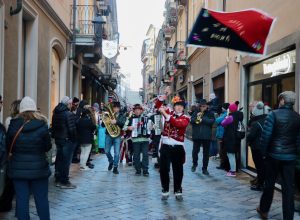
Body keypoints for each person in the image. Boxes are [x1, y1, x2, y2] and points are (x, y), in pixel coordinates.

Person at [6, 96, 52, 220]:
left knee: (21, 200)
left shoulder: (13, 125)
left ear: (21, 110)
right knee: (41, 199)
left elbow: (8, 146)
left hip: (18, 169)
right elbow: (47, 147)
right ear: (34, 109)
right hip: (39, 169)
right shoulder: (42, 125)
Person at [257, 91, 300, 220]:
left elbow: (266, 137)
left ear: (282, 100)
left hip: (273, 156)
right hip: (290, 157)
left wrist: (263, 153)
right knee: (288, 189)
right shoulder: (297, 117)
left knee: (269, 184)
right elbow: (298, 139)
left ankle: (264, 210)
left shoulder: (273, 115)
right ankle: (288, 217)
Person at [155, 95, 190, 201]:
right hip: (165, 145)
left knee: (178, 170)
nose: (179, 107)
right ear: (174, 107)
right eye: (177, 105)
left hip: (178, 147)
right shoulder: (169, 112)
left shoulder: (186, 118)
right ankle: (165, 190)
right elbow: (158, 106)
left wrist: (165, 114)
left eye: (181, 106)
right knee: (164, 169)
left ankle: (178, 190)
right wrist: (162, 97)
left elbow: (178, 124)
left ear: (183, 108)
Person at [52, 96, 77, 189]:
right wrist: (74, 140)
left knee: (59, 159)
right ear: (68, 104)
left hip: (58, 139)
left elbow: (53, 127)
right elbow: (72, 129)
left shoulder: (56, 112)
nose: (71, 105)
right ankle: (64, 181)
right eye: (71, 104)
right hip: (66, 140)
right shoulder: (68, 114)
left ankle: (58, 177)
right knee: (66, 161)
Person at [190, 99, 215, 175]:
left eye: (204, 106)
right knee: (195, 151)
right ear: (199, 106)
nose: (203, 107)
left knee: (206, 153)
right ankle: (194, 164)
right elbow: (192, 121)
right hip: (197, 136)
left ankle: (205, 168)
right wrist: (198, 117)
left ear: (207, 106)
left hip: (206, 136)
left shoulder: (210, 113)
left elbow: (212, 121)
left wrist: (202, 118)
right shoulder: (196, 112)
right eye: (201, 106)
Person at [247, 102, 268, 191]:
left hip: (256, 147)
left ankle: (260, 184)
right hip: (265, 147)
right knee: (263, 166)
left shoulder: (255, 123)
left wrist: (248, 138)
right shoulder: (268, 120)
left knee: (259, 167)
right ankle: (262, 183)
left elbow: (251, 136)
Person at [124, 104, 150, 176]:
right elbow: (124, 127)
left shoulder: (146, 118)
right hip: (135, 140)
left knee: (145, 155)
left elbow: (152, 125)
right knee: (136, 155)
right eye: (136, 110)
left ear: (141, 111)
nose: (138, 111)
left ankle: (145, 170)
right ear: (134, 111)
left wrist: (152, 127)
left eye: (139, 110)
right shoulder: (130, 118)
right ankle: (138, 170)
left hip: (145, 139)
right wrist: (129, 127)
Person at [103, 101, 126, 174]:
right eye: (114, 108)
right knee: (106, 151)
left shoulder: (122, 115)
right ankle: (111, 161)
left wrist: (116, 122)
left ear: (119, 108)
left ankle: (115, 167)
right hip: (108, 135)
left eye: (117, 108)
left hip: (117, 135)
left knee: (117, 153)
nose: (116, 109)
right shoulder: (108, 114)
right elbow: (103, 125)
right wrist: (105, 120)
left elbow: (123, 125)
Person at [221, 101, 242, 177]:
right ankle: (233, 169)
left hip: (230, 138)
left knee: (231, 155)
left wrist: (226, 117)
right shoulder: (238, 116)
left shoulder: (231, 117)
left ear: (231, 110)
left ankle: (232, 171)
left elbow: (222, 123)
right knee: (232, 154)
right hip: (236, 138)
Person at [216, 103, 230, 171]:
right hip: (220, 134)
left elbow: (217, 121)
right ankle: (222, 164)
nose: (221, 108)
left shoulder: (225, 115)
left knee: (222, 151)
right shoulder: (223, 114)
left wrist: (218, 118)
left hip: (222, 135)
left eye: (223, 107)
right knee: (221, 151)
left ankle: (223, 164)